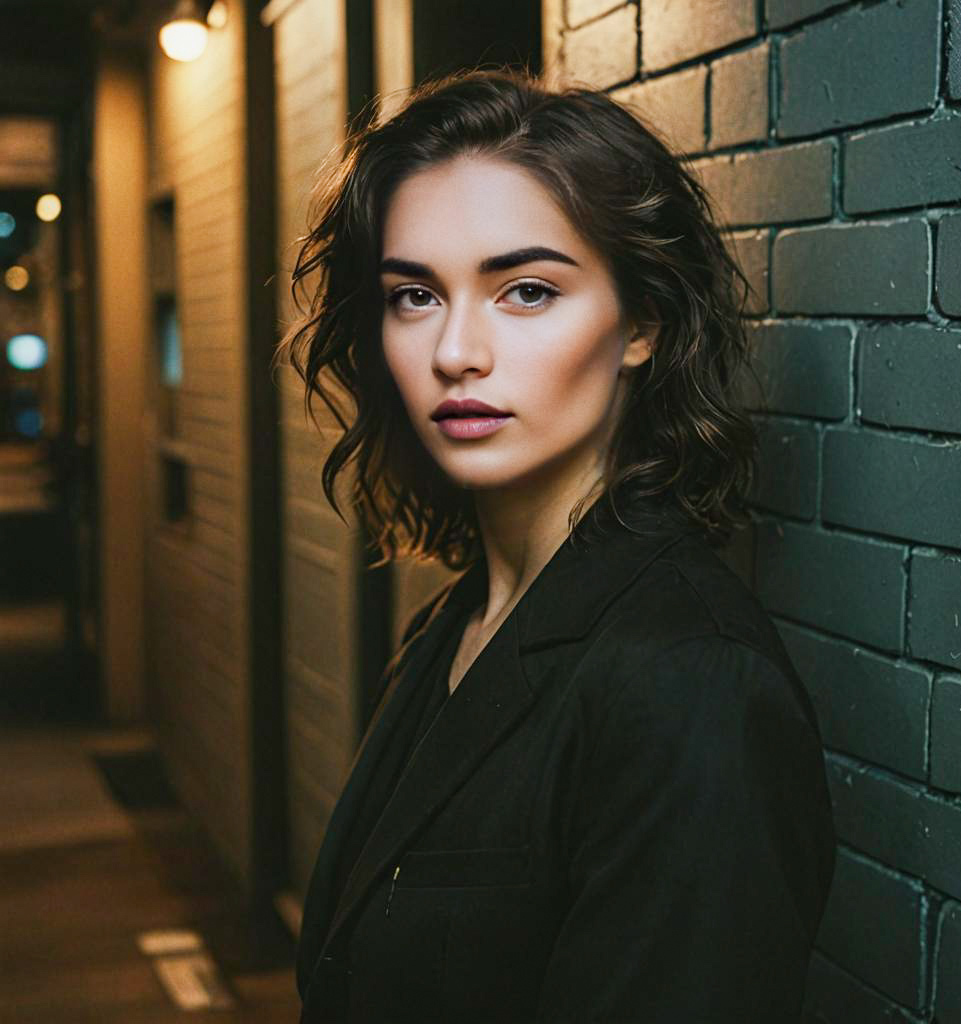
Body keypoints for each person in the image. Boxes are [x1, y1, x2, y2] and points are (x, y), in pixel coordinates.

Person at [281, 68, 836, 1024]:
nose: (457, 350)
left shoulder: (690, 684)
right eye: (415, 294)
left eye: (526, 291)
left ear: (643, 323)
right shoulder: (456, 622)